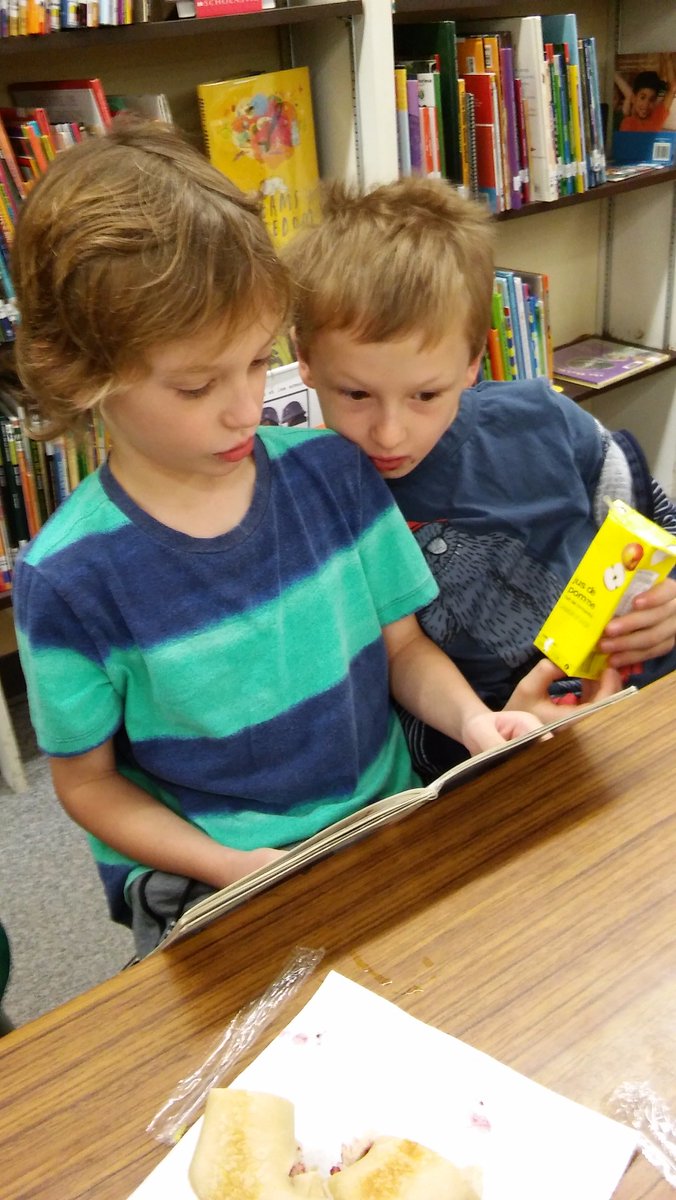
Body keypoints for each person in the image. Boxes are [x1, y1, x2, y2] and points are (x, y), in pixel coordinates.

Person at [10, 124, 541, 956]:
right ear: (80, 371)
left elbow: (402, 651)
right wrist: (230, 865)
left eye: (258, 363)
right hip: (211, 881)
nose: (242, 408)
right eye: (195, 383)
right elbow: (87, 783)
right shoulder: (71, 578)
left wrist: (476, 724)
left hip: (380, 827)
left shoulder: (333, 472)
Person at [283, 177, 676, 781]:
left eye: (425, 395)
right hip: (485, 759)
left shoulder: (540, 420)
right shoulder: (317, 503)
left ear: (472, 362)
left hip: (640, 708)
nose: (390, 434)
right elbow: (379, 689)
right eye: (356, 393)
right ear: (303, 359)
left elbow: (644, 512)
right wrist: (480, 736)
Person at [615, 54, 676, 132]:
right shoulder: (627, 122)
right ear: (633, 98)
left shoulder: (657, 117)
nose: (646, 105)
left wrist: (667, 59)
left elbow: (672, 88)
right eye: (642, 97)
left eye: (651, 99)